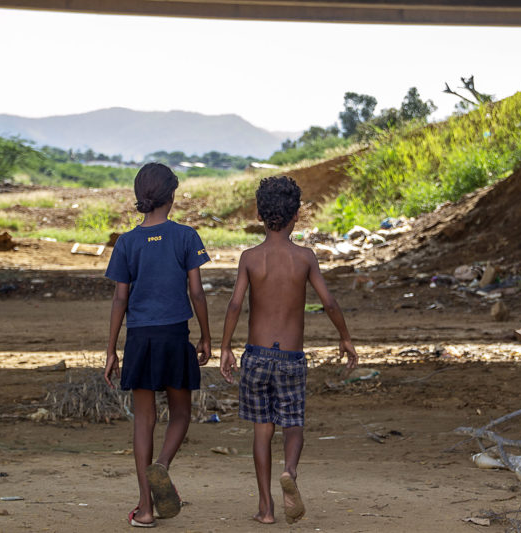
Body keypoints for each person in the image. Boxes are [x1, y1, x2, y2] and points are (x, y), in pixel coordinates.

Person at [219, 175, 358, 524]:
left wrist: (224, 347)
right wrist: (345, 337)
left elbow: (235, 305)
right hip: (291, 358)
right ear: (296, 215)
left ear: (261, 216)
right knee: (293, 425)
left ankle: (266, 509)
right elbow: (329, 301)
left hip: (256, 355)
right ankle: (290, 473)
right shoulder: (305, 258)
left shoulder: (250, 258)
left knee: (262, 429)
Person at [104, 162, 212, 528]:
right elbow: (196, 291)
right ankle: (162, 466)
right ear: (172, 196)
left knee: (143, 422)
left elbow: (120, 299)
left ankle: (145, 508)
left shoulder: (126, 242)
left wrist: (111, 350)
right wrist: (207, 335)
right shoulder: (186, 237)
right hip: (174, 336)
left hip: (139, 339)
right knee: (181, 413)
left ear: (140, 197)